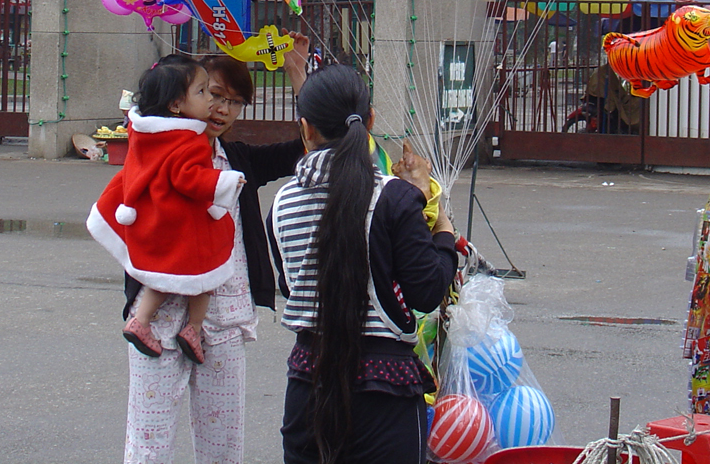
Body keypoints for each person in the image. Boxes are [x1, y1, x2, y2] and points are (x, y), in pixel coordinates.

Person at [121, 36, 310, 464]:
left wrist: (298, 76)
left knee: (223, 445)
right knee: (148, 443)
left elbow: (307, 145)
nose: (221, 109)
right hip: (159, 320)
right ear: (183, 99)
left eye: (235, 102)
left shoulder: (239, 160)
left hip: (224, 319)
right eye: (214, 95)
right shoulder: (149, 157)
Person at [268, 64, 458, 464]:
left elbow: (292, 288)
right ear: (369, 121)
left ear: (306, 129)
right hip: (383, 391)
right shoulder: (395, 198)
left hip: (307, 383)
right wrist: (441, 229)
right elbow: (427, 291)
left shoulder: (281, 203)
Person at [89, 58, 242, 364]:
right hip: (180, 223)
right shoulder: (189, 139)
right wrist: (223, 183)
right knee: (206, 271)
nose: (211, 100)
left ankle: (141, 321)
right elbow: (187, 177)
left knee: (160, 277)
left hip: (153, 217)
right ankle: (193, 329)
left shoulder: (146, 133)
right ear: (175, 105)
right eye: (202, 92)